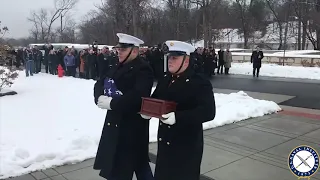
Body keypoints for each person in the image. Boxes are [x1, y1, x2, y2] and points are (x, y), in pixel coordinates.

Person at [141, 40, 216, 180]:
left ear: (186, 60)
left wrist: (178, 117)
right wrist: (147, 111)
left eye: (175, 58)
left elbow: (208, 112)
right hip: (165, 143)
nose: (170, 61)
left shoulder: (199, 82)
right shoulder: (166, 79)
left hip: (186, 147)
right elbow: (156, 98)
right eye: (169, 57)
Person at [93, 33, 154, 180]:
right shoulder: (115, 66)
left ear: (134, 51)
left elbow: (137, 96)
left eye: (123, 50)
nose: (118, 52)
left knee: (125, 166)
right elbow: (100, 82)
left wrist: (112, 103)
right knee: (133, 164)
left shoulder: (143, 69)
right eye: (118, 49)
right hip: (114, 122)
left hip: (131, 127)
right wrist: (99, 97)